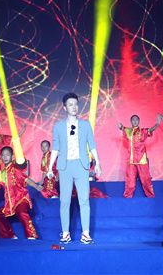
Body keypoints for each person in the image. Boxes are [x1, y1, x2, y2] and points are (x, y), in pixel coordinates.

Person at [45, 92, 101, 245]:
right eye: (70, 104)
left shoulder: (85, 125)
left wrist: (98, 163)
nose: (74, 107)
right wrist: (49, 168)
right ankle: (65, 233)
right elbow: (55, 148)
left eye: (75, 104)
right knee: (64, 201)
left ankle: (85, 234)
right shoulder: (58, 126)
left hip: (81, 165)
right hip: (65, 167)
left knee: (84, 200)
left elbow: (92, 144)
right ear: (64, 107)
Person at [0, 146, 43, 240]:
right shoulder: (1, 173)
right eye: (3, 155)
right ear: (0, 157)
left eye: (7, 155)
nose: (5, 157)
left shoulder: (16, 169)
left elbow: (26, 179)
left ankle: (32, 235)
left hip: (21, 199)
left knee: (22, 212)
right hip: (10, 203)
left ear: (12, 156)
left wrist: (36, 186)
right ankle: (9, 236)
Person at [117, 114, 161, 198]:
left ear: (139, 121)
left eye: (136, 119)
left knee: (146, 179)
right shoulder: (128, 131)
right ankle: (128, 196)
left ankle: (150, 196)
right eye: (133, 120)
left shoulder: (142, 131)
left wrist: (157, 124)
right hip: (131, 160)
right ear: (131, 121)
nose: (135, 121)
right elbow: (122, 128)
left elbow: (150, 129)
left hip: (141, 159)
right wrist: (120, 127)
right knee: (130, 180)